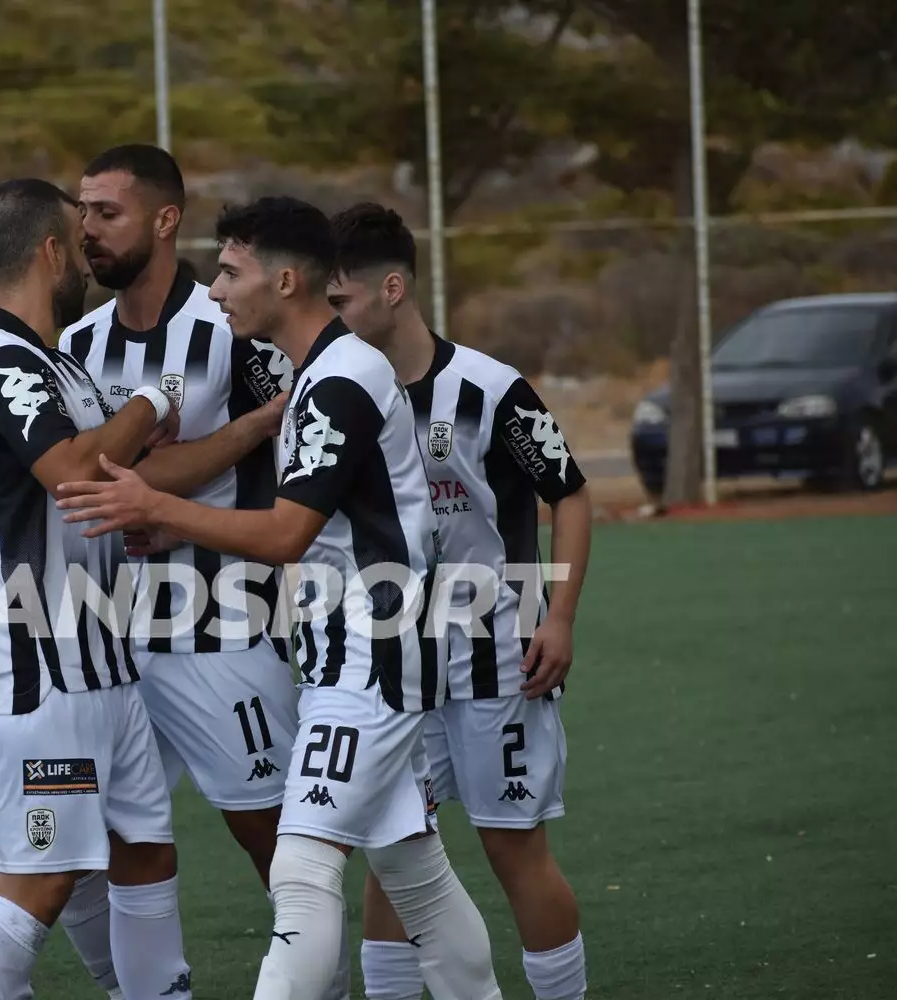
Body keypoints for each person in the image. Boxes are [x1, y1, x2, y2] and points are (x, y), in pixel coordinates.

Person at [57, 195, 502, 1000]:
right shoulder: (319, 376)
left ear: (287, 280)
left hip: (373, 657)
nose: (217, 289)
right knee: (415, 872)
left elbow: (286, 534)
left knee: (299, 867)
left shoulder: (339, 381)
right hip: (350, 653)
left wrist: (154, 505)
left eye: (232, 272)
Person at [58, 144, 350, 995]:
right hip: (109, 644)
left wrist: (154, 484)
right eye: (82, 212)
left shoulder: (235, 328)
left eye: (106, 212)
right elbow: (79, 480)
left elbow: (289, 436)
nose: (87, 230)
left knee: (278, 845)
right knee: (92, 850)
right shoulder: (75, 343)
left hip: (224, 630)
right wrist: (158, 475)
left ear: (164, 220)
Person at [327, 203, 592, 1000]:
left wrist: (559, 617)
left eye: (340, 300)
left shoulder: (492, 388)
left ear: (393, 289)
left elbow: (571, 494)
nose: (330, 317)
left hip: (497, 657)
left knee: (513, 848)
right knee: (396, 850)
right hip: (393, 660)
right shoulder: (342, 394)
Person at [0, 177, 192, 1000]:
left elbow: (96, 487)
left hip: (105, 669)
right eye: (76, 242)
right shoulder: (1, 358)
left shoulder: (58, 367)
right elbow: (70, 470)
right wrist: (153, 399)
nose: (88, 257)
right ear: (50, 253)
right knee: (40, 882)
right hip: (37, 673)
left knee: (144, 855)